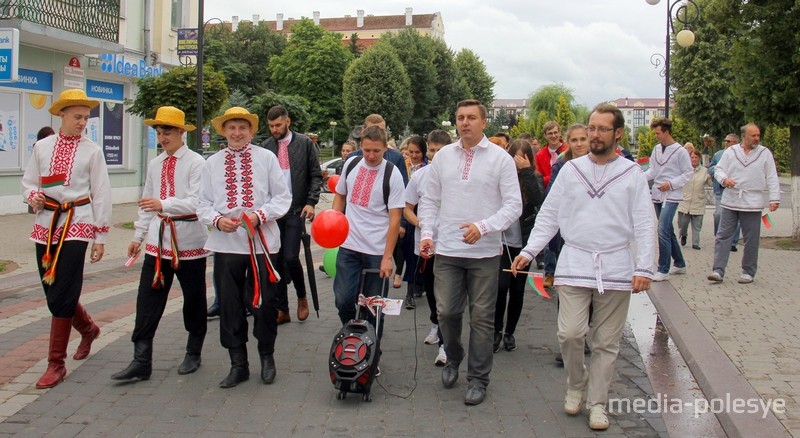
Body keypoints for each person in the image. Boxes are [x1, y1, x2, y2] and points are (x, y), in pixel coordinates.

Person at [511, 103, 655, 431]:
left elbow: (645, 222)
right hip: (574, 261)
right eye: (591, 128)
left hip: (616, 265)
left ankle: (598, 402)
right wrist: (529, 250)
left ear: (618, 133)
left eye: (603, 129)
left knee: (606, 342)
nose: (595, 134)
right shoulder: (571, 172)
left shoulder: (632, 175)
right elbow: (549, 214)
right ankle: (576, 382)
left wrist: (644, 267)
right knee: (570, 333)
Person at [418, 99, 522, 406]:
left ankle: (478, 378)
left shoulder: (500, 159)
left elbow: (514, 205)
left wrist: (485, 226)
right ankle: (453, 355)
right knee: (447, 312)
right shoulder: (444, 157)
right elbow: (428, 198)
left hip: (485, 254)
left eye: (471, 117)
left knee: (482, 318)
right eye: (460, 117)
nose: (465, 122)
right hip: (447, 250)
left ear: (483, 122)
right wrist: (427, 234)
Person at [21, 89, 111, 389]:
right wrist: (32, 196)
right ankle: (88, 328)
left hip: (78, 221)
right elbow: (30, 182)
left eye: (86, 117)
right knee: (51, 289)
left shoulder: (92, 151)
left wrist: (100, 235)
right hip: (47, 222)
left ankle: (55, 363)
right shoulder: (42, 147)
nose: (82, 122)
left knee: (64, 289)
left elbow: (101, 194)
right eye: (77, 117)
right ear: (62, 115)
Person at [112, 106, 209, 381]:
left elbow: (197, 201)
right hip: (158, 242)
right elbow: (146, 203)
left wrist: (164, 204)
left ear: (181, 132)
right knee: (147, 300)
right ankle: (141, 359)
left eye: (167, 131)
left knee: (193, 300)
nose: (162, 136)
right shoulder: (155, 164)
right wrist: (137, 237)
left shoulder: (196, 163)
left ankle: (194, 350)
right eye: (158, 131)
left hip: (189, 241)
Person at [198, 107, 291, 388]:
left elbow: (283, 197)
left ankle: (267, 357)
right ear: (223, 131)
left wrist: (258, 216)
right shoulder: (212, 163)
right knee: (229, 306)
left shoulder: (266, 158)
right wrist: (217, 220)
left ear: (251, 131)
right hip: (227, 245)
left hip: (262, 244)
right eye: (231, 128)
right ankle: (238, 364)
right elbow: (201, 203)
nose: (237, 133)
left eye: (242, 127)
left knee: (263, 304)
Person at [331, 125, 405, 346]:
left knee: (373, 307)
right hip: (349, 246)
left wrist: (387, 256)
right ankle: (352, 339)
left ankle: (372, 353)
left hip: (376, 251)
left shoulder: (393, 174)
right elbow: (340, 196)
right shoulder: (351, 164)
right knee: (343, 300)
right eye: (367, 150)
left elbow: (394, 220)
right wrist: (334, 222)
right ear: (360, 147)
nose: (371, 156)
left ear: (385, 149)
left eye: (377, 151)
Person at [260, 105, 322, 324]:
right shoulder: (266, 147)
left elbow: (316, 175)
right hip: (273, 213)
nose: (274, 129)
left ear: (287, 122)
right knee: (275, 261)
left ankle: (302, 296)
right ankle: (282, 309)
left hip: (296, 210)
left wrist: (311, 202)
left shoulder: (304, 143)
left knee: (290, 257)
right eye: (270, 126)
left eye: (278, 125)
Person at [708, 123, 780, 284]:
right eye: (753, 135)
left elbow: (772, 176)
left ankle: (748, 271)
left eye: (758, 135)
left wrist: (774, 199)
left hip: (752, 201)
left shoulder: (764, 153)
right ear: (744, 136)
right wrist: (724, 179)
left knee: (751, 239)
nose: (757, 138)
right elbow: (718, 169)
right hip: (730, 200)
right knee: (723, 236)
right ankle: (718, 270)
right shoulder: (731, 152)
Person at [404, 129, 451, 366]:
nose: (435, 155)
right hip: (426, 244)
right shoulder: (419, 176)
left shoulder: (455, 177)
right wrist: (421, 224)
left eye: (440, 151)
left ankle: (445, 344)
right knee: (432, 291)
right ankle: (435, 323)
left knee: (446, 296)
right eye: (431, 150)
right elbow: (407, 208)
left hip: (451, 245)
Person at [494, 139, 544, 353]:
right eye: (516, 157)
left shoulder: (535, 178)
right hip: (503, 242)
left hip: (523, 244)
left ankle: (509, 332)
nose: (519, 162)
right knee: (500, 287)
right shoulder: (501, 178)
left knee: (517, 290)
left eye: (524, 157)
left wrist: (526, 173)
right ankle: (496, 330)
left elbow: (538, 200)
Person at [548, 124, 591, 366]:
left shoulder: (602, 165)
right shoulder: (561, 166)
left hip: (592, 237)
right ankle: (569, 340)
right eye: (574, 140)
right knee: (566, 288)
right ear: (569, 143)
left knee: (591, 289)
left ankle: (583, 334)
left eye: (583, 139)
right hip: (566, 237)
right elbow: (551, 201)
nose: (579, 144)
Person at [645, 118, 693, 282]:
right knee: (667, 231)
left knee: (662, 229)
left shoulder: (680, 151)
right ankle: (679, 263)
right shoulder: (657, 149)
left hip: (671, 195)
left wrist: (671, 184)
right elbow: (652, 170)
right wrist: (639, 178)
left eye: (658, 133)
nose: (656, 136)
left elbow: (688, 173)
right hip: (657, 194)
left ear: (666, 132)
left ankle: (663, 268)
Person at [535, 121, 568, 288]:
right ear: (546, 136)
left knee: (564, 237)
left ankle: (564, 271)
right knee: (550, 237)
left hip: (567, 199)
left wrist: (550, 178)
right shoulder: (541, 155)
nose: (553, 136)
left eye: (555, 132)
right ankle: (549, 272)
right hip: (548, 199)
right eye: (550, 133)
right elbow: (539, 178)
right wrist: (552, 178)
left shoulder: (568, 151)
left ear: (559, 133)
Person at [400, 135, 428, 307]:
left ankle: (420, 284)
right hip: (407, 211)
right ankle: (409, 291)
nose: (414, 155)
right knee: (409, 253)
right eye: (411, 152)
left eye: (417, 152)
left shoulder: (428, 168)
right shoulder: (404, 167)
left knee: (423, 253)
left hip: (423, 211)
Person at [709, 133, 741, 251]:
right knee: (718, 214)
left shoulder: (741, 156)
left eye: (729, 141)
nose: (726, 143)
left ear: (735, 143)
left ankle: (733, 243)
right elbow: (711, 168)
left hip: (735, 190)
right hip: (720, 190)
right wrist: (718, 169)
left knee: (736, 217)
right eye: (725, 141)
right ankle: (719, 237)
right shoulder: (718, 154)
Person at [677, 149, 710, 250]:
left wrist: (712, 177)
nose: (694, 159)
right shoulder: (684, 169)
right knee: (683, 223)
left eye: (696, 157)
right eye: (692, 157)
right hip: (685, 201)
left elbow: (710, 183)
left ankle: (696, 243)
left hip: (698, 201)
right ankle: (684, 235)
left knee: (697, 225)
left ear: (699, 158)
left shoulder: (705, 171)